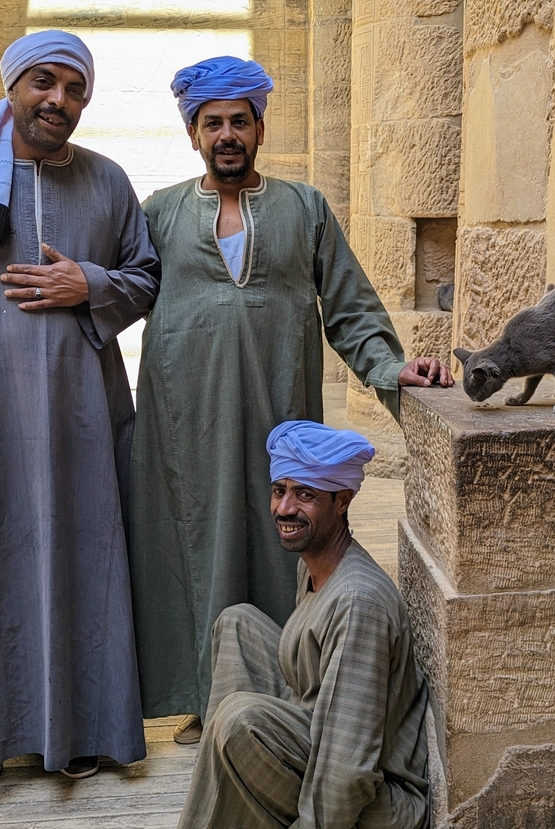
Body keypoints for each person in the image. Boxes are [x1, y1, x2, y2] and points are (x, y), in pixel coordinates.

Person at [128, 55, 453, 743]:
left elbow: (351, 309)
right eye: (212, 122)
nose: (226, 134)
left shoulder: (303, 207)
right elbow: (115, 289)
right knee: (198, 541)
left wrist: (394, 371)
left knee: (285, 534)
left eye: (238, 122)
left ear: (259, 129)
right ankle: (204, 694)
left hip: (281, 404)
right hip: (187, 419)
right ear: (193, 133)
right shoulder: (158, 212)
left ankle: (284, 688)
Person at [0, 30, 161, 821]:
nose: (59, 101)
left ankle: (83, 732)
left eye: (74, 89)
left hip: (83, 418)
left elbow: (145, 276)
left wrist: (89, 283)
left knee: (86, 561)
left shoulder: (107, 183)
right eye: (44, 83)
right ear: (14, 87)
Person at [176, 420, 429, 829]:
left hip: (377, 803)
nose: (285, 509)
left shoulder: (358, 602)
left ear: (342, 501)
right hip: (325, 737)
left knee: (238, 720)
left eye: (305, 495)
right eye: (279, 490)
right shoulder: (313, 561)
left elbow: (349, 758)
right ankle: (244, 803)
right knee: (238, 623)